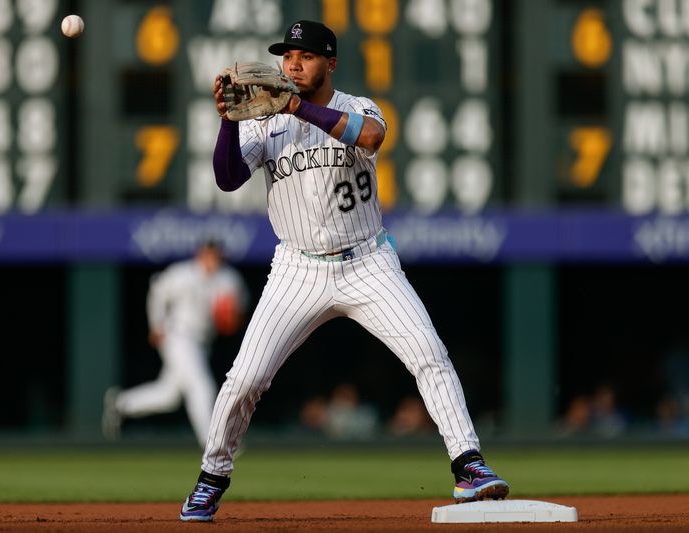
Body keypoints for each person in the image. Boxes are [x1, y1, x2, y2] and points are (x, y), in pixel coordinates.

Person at [179, 20, 509, 522]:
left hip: (368, 262)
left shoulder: (358, 107)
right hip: (297, 268)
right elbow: (226, 179)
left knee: (428, 353)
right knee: (245, 379)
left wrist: (297, 107)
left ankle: (469, 465)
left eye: (305, 55)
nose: (293, 63)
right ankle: (211, 477)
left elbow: (372, 137)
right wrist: (227, 120)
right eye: (288, 55)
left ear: (329, 62)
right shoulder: (265, 120)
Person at [102, 241, 248, 447]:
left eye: (216, 255)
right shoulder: (183, 273)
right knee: (201, 387)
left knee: (169, 395)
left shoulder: (229, 279)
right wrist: (156, 323)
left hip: (203, 341)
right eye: (209, 254)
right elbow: (157, 291)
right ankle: (214, 445)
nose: (212, 259)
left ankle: (121, 404)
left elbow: (236, 316)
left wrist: (230, 318)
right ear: (201, 254)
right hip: (178, 335)